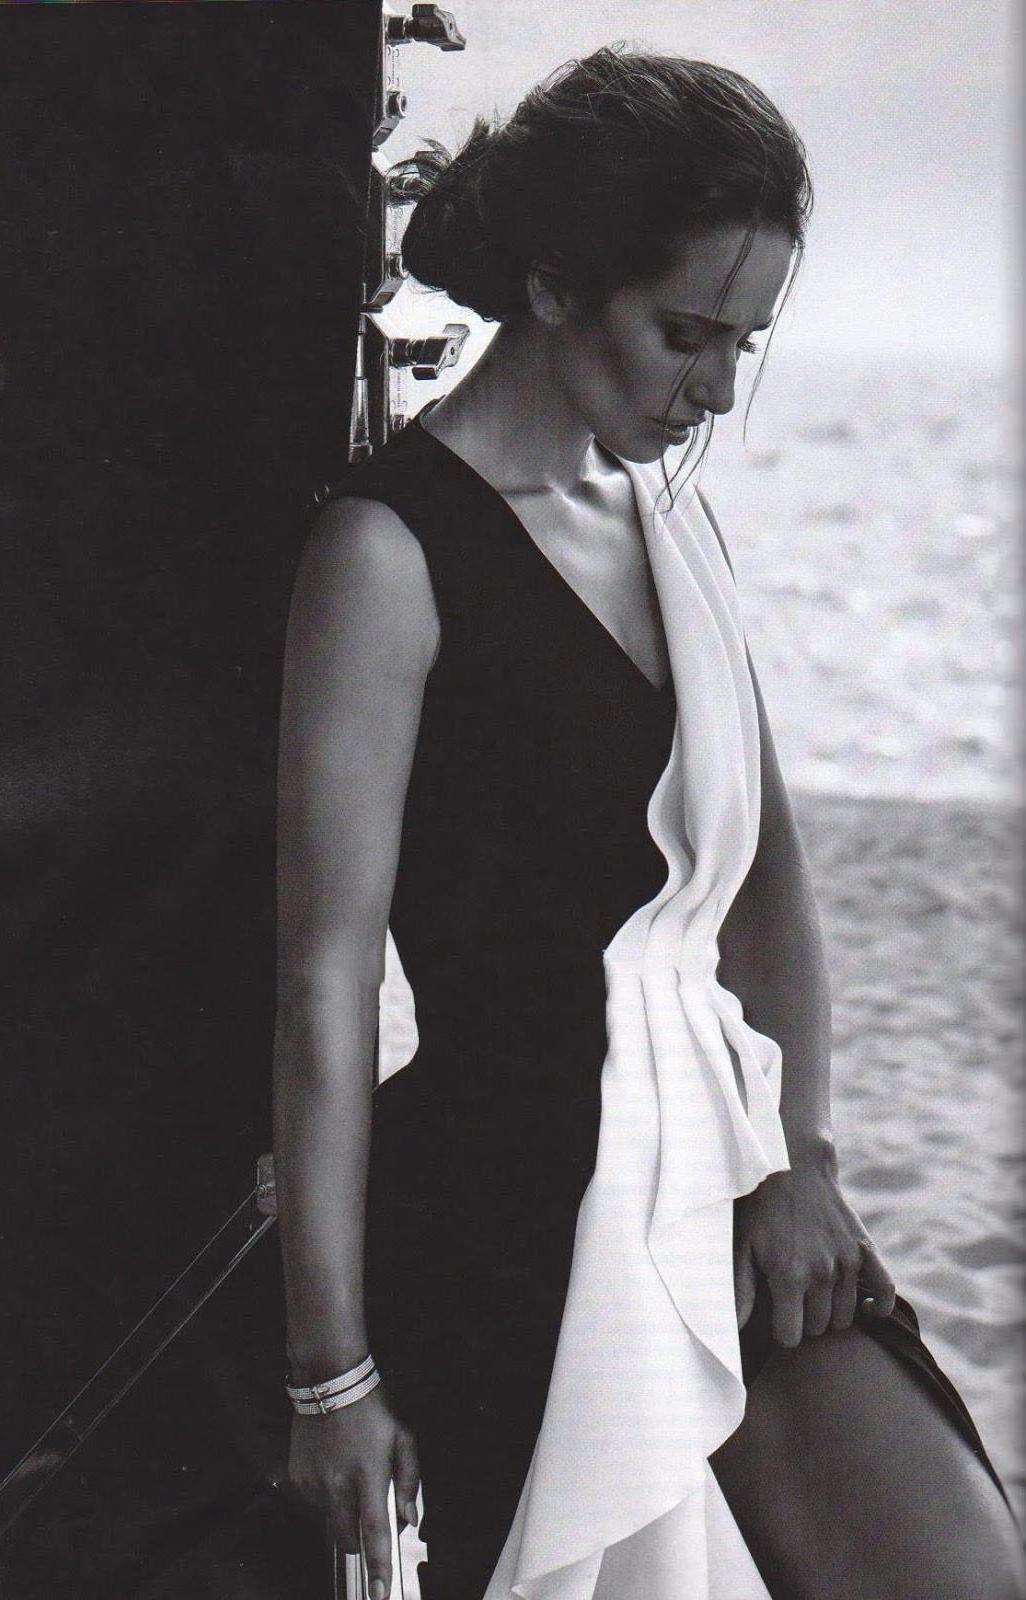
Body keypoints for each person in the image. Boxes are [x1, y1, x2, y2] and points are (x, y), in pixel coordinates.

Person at [272, 48, 1023, 1600]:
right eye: (685, 334)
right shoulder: (387, 552)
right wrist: (329, 1372)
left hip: (733, 1161)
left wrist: (800, 1158)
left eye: (745, 343)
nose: (718, 392)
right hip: (511, 1202)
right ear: (553, 286)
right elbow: (322, 984)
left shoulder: (669, 521)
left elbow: (764, 891)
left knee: (955, 1570)